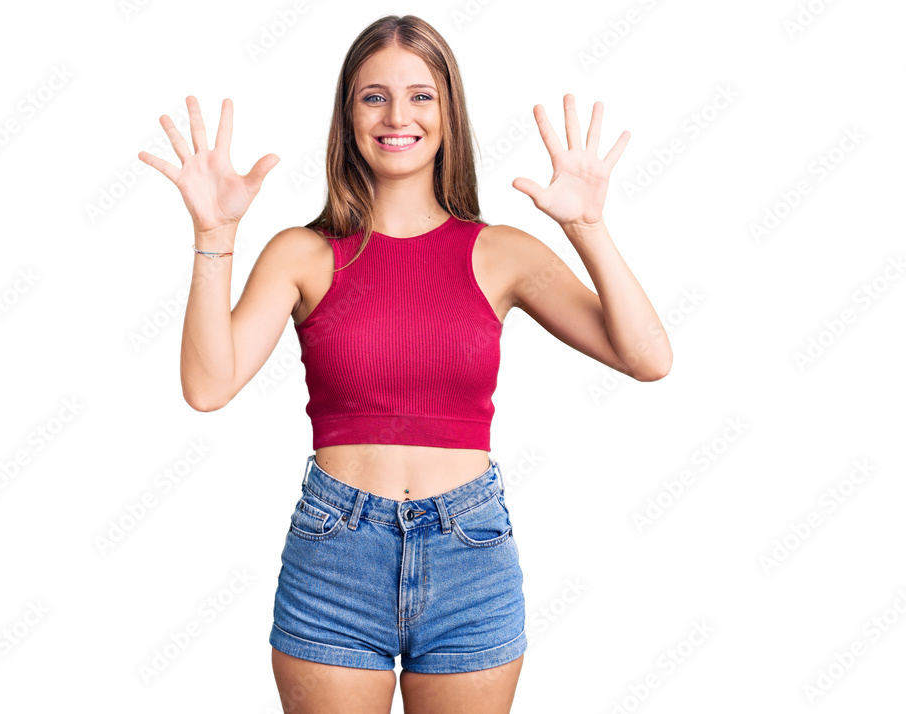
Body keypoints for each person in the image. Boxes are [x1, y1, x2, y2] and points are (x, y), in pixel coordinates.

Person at [138, 13, 671, 714]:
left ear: (448, 112)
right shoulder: (301, 253)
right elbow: (208, 387)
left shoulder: (501, 252)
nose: (398, 115)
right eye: (374, 96)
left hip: (469, 553)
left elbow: (648, 357)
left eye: (421, 95)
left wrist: (587, 228)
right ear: (348, 115)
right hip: (336, 557)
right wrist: (214, 238)